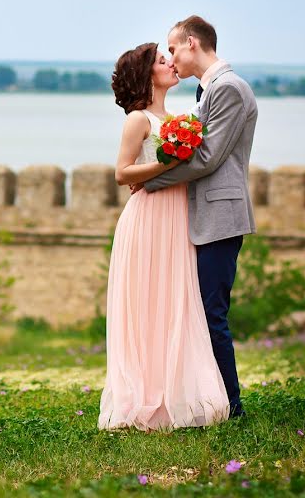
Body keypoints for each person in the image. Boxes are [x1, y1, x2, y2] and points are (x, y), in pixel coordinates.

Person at [97, 40, 230, 431]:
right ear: (146, 74)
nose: (171, 63)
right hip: (147, 220)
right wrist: (165, 162)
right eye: (161, 60)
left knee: (175, 303)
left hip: (176, 220)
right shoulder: (138, 120)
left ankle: (176, 396)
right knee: (147, 304)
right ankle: (142, 399)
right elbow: (122, 173)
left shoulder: (176, 119)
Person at [136, 15, 258, 418]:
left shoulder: (228, 89)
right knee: (202, 311)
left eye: (172, 49)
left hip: (220, 216)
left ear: (191, 43)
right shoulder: (210, 92)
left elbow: (206, 158)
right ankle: (213, 401)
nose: (171, 58)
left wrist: (151, 181)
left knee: (210, 312)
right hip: (202, 216)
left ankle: (232, 407)